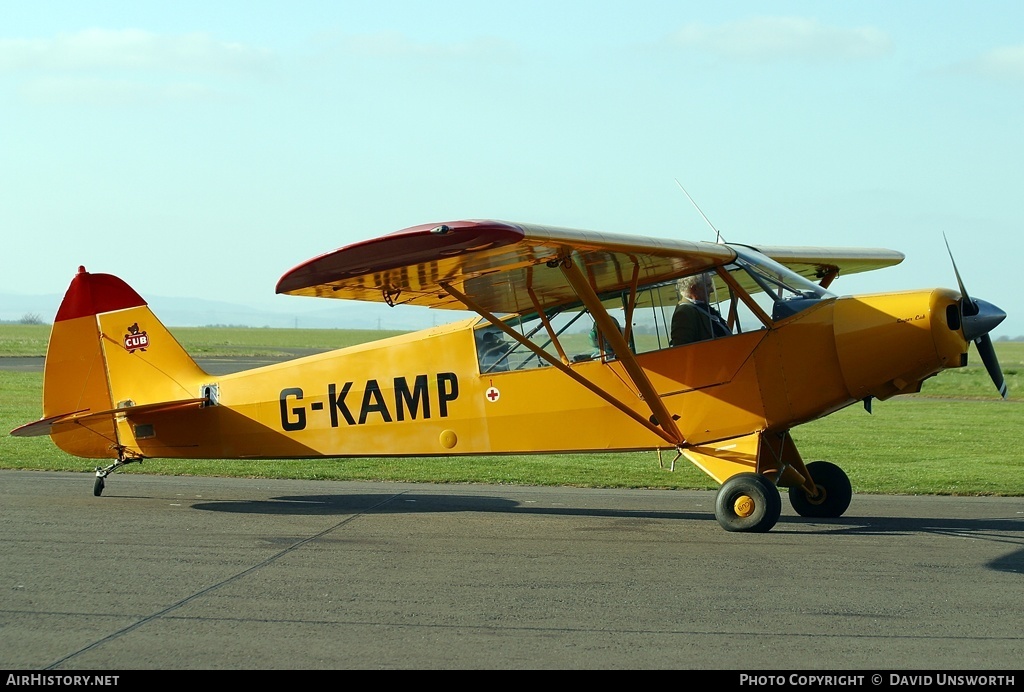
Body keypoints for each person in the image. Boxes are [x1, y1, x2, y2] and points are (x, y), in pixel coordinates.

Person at [670, 272, 730, 346]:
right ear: (694, 289)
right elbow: (682, 350)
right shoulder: (684, 313)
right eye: (708, 285)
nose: (711, 290)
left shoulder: (700, 307)